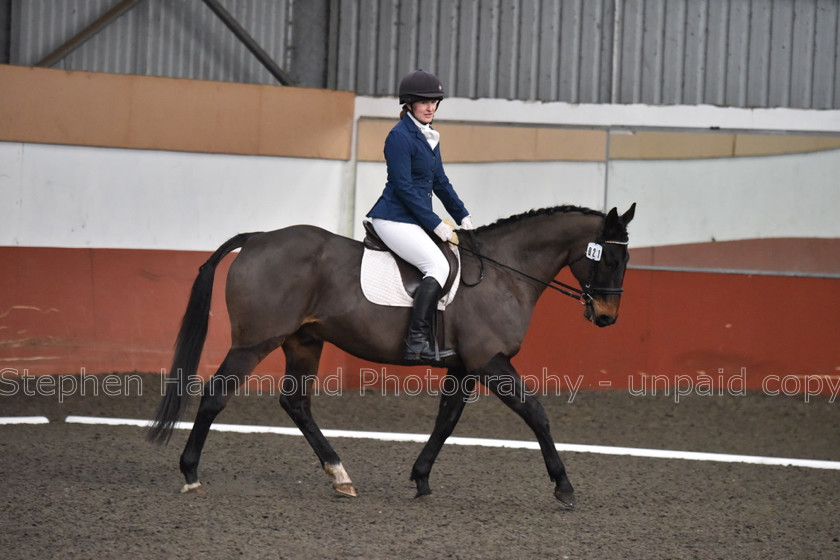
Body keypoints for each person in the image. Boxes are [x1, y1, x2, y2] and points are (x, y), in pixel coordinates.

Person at [367, 69, 474, 362]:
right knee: (437, 266)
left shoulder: (429, 136)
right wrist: (436, 224)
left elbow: (440, 181)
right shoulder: (399, 137)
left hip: (413, 219)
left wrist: (462, 215)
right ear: (410, 104)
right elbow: (403, 188)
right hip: (393, 218)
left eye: (435, 102)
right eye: (424, 102)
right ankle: (417, 342)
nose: (431, 107)